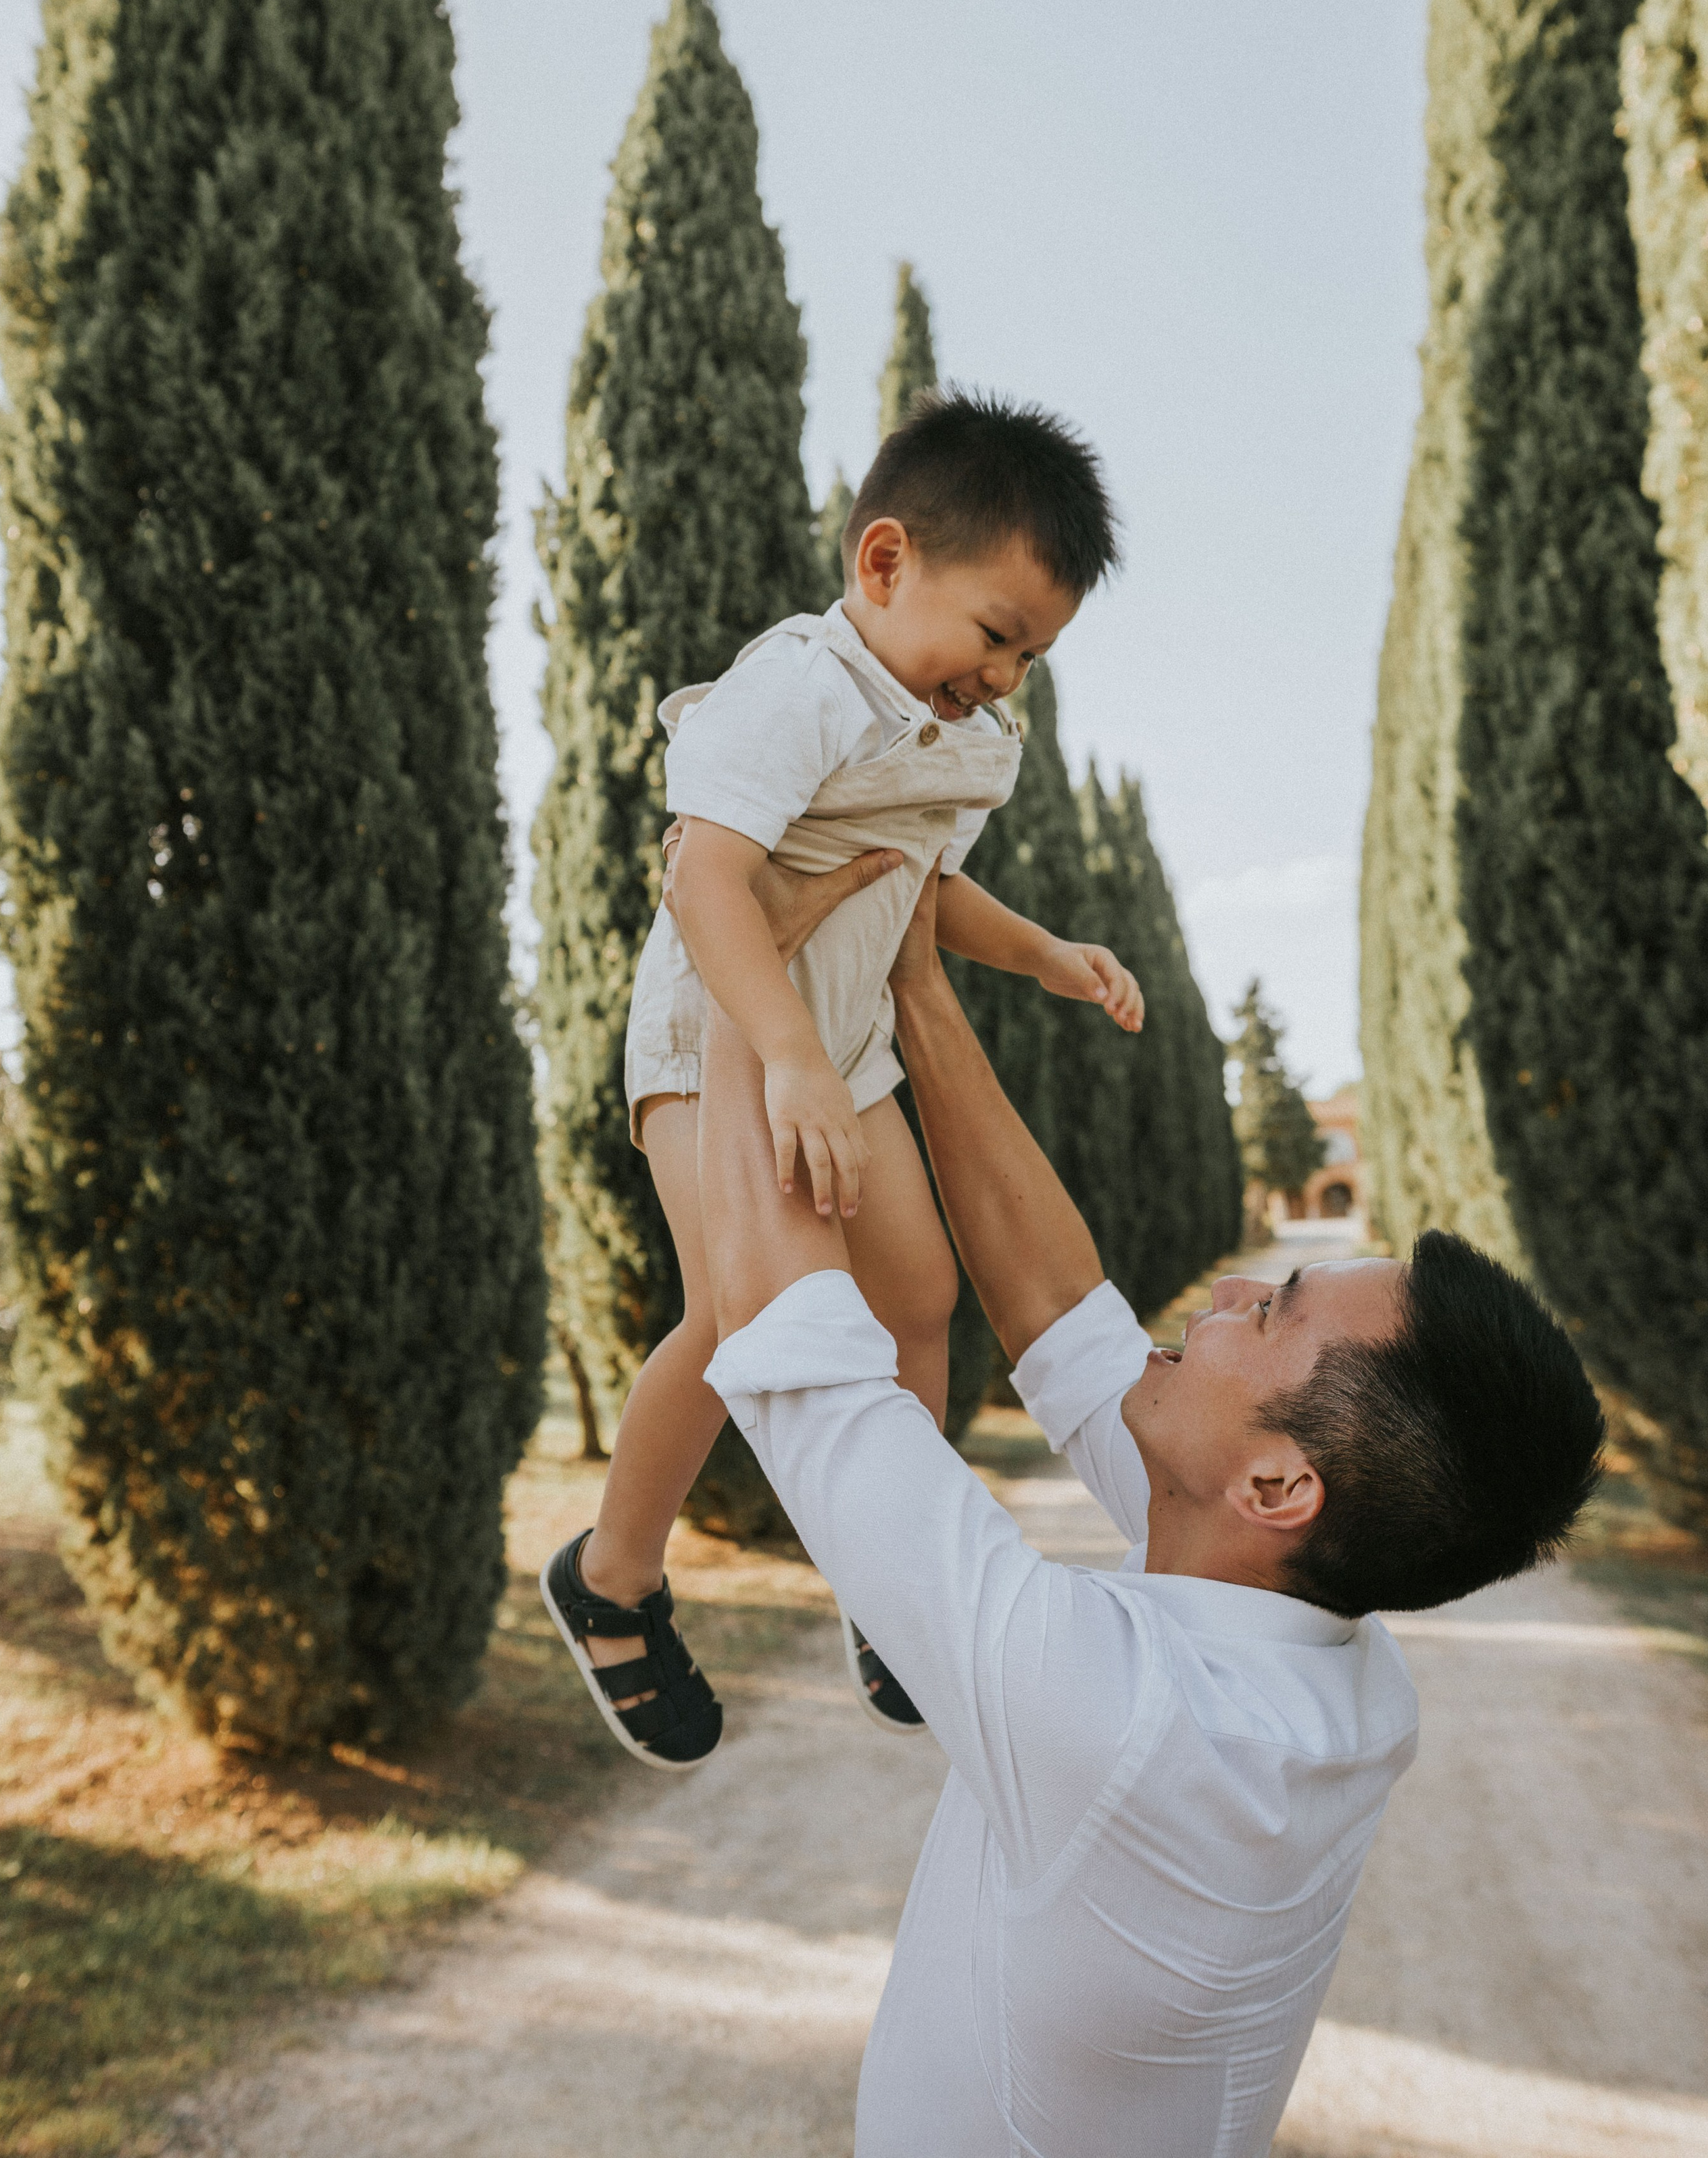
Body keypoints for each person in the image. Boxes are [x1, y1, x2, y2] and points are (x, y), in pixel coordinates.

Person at [687, 850, 1605, 2157]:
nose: (1226, 1294)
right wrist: (911, 982)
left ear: (1282, 1484)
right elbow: (1065, 1321)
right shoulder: (1322, 1632)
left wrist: (730, 932)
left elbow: (799, 1350)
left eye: (1272, 1311)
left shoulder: (1125, 1724)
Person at [543, 391, 1142, 1765]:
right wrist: (792, 1061)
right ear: (884, 566)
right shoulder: (800, 686)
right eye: (994, 634)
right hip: (722, 1036)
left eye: (1031, 655)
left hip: (843, 1051)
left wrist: (1043, 953)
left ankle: (890, 1576)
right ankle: (612, 1575)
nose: (1003, 675)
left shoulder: (964, 738)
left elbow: (929, 881)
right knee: (739, 1316)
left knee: (917, 1297)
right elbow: (702, 873)